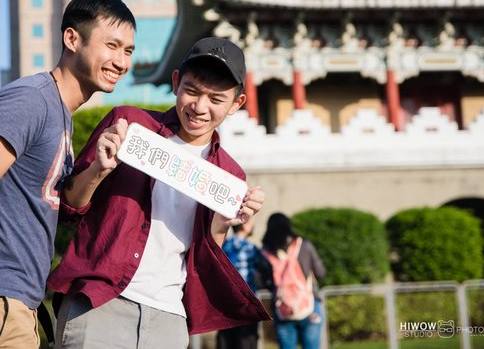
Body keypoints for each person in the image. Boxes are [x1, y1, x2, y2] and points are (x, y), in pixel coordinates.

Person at [0, 0, 136, 349]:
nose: (121, 61)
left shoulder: (61, 115)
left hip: (15, 306)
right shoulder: (29, 100)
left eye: (128, 50)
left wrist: (98, 171)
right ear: (72, 39)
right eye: (111, 45)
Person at [47, 37, 270, 348]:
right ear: (176, 83)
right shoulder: (129, 125)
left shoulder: (229, 176)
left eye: (216, 99)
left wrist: (222, 224)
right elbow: (69, 206)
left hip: (169, 316)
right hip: (100, 302)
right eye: (192, 91)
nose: (199, 107)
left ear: (236, 103)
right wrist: (98, 169)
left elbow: (204, 257)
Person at [262, 213, 326, 349]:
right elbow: (321, 273)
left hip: (282, 309)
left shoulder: (266, 252)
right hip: (310, 305)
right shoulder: (304, 245)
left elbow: (262, 281)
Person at [216, 217, 272, 349]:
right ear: (244, 225)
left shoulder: (224, 245)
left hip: (226, 303)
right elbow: (267, 269)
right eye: (251, 222)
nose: (253, 225)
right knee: (246, 341)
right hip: (247, 303)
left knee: (226, 341)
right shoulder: (250, 248)